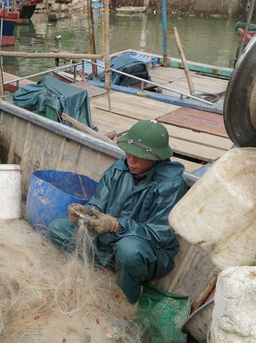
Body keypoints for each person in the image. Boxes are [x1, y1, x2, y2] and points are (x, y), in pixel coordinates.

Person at [47, 120, 187, 304]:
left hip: (146, 253)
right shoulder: (119, 168)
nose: (131, 160)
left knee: (128, 250)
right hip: (107, 243)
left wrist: (116, 225)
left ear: (156, 158)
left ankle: (128, 298)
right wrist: (85, 211)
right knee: (57, 228)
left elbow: (159, 234)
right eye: (129, 153)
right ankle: (107, 271)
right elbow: (98, 204)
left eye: (139, 156)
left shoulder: (171, 185)